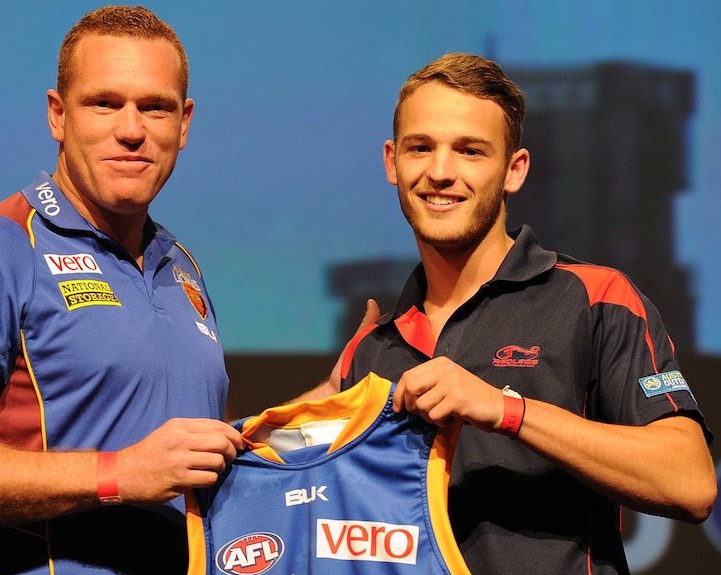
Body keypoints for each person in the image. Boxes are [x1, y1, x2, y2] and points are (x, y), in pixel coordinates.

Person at [304, 53, 716, 574]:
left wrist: (507, 410)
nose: (440, 171)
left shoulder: (595, 298)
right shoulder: (372, 348)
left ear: (513, 170)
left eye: (470, 151)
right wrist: (322, 399)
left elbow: (691, 483)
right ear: (392, 162)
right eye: (420, 147)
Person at [0, 6, 243, 574]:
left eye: (155, 107)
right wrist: (118, 473)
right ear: (57, 115)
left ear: (184, 123)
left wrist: (328, 405)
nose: (132, 129)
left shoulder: (181, 266)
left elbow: (196, 461)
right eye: (104, 103)